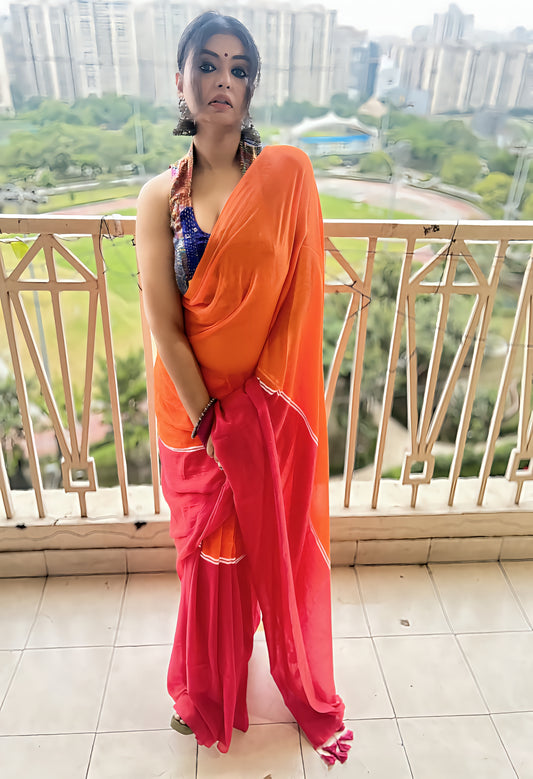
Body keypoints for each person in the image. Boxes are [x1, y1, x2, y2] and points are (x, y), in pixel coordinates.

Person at [135, 11, 352, 766]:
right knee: (205, 559)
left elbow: (296, 307)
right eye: (207, 65)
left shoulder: (283, 178)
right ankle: (200, 690)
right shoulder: (159, 195)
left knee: (249, 551)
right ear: (181, 81)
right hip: (191, 414)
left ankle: (228, 674)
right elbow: (165, 325)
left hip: (260, 409)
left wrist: (250, 413)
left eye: (237, 68)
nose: (221, 80)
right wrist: (210, 420)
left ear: (251, 85)